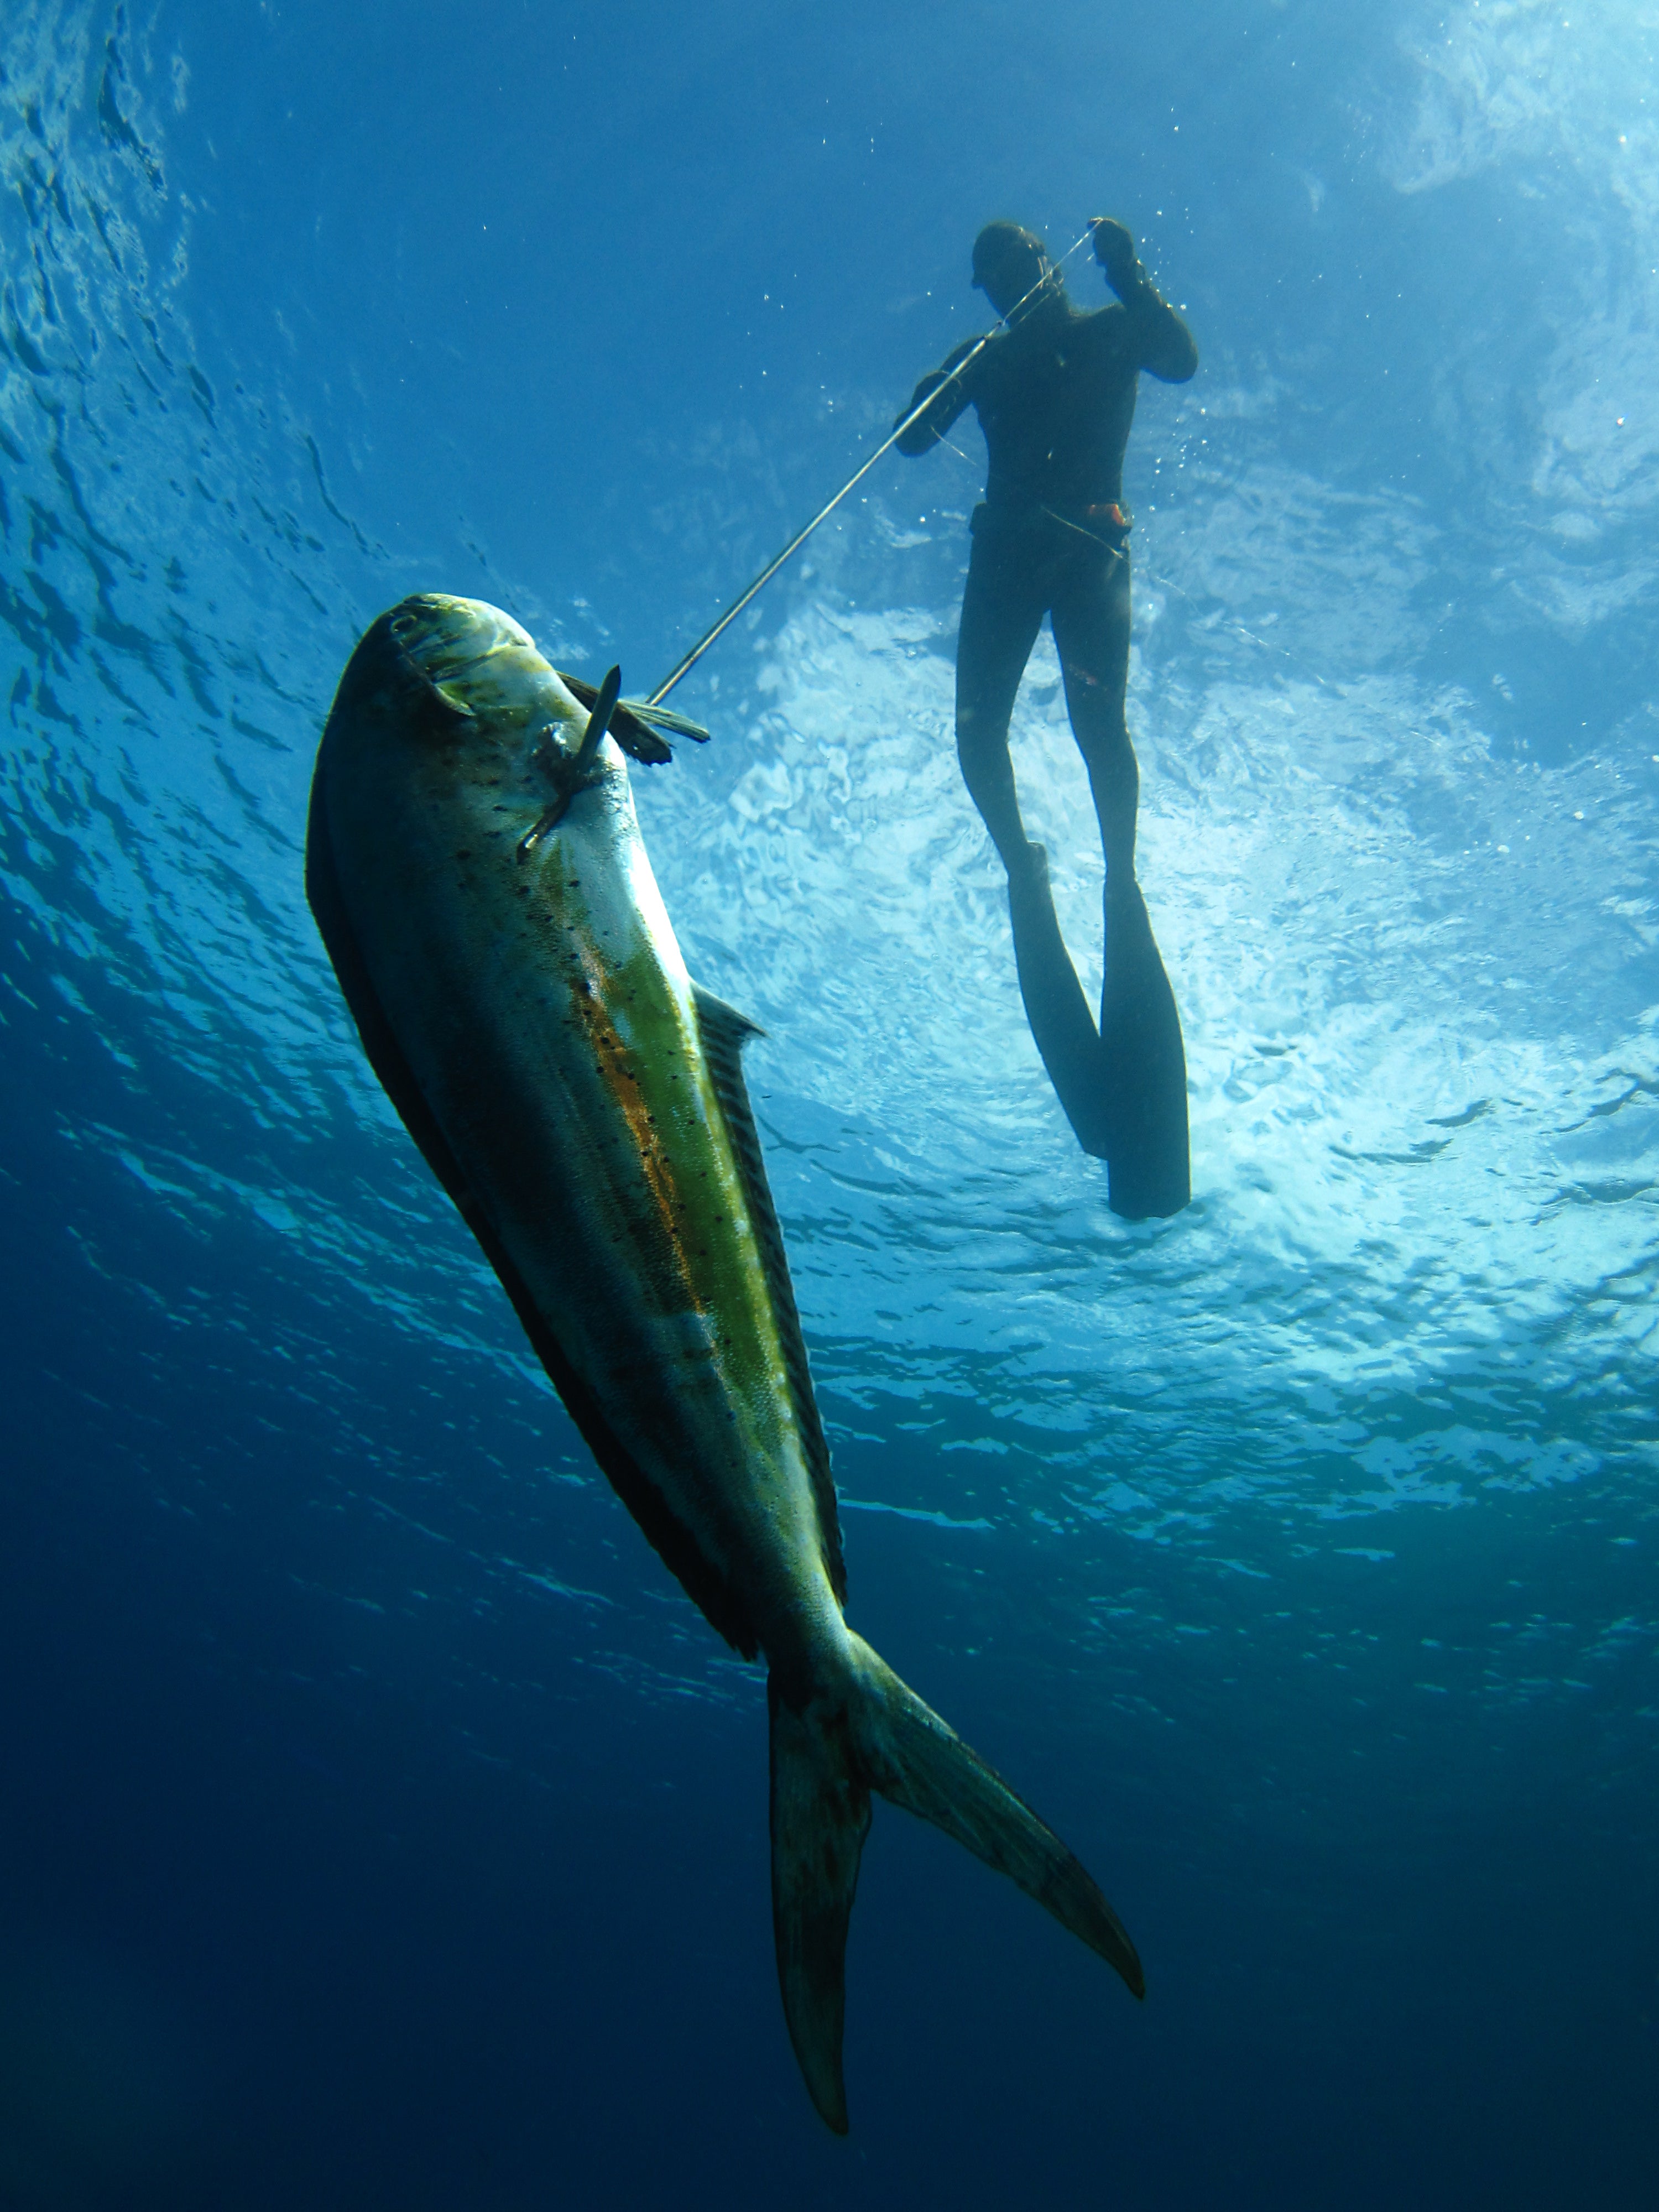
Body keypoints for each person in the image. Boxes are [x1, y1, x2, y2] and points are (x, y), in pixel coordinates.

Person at [896, 218, 1197, 1218]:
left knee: (1095, 728)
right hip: (1009, 553)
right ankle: (1024, 864)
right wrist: (940, 385)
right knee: (975, 735)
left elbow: (1180, 359)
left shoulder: (1116, 328)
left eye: (1016, 264)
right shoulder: (986, 354)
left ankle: (1118, 876)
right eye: (988, 276)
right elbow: (913, 439)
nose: (1005, 283)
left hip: (1089, 550)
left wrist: (1132, 274)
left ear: (1048, 262)